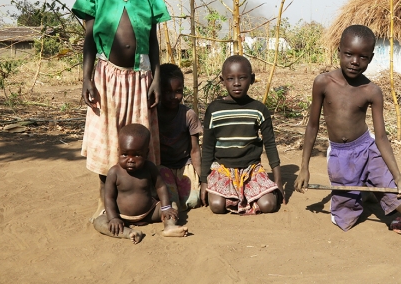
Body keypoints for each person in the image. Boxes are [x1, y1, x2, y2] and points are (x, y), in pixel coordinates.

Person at [294, 25, 401, 282]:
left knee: (400, 196)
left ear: (371, 57)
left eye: (363, 57)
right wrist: (305, 167)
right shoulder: (323, 82)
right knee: (344, 220)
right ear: (339, 51)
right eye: (349, 54)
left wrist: (398, 175)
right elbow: (312, 125)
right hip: (340, 155)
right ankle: (368, 192)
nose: (355, 62)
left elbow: (381, 137)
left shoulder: (372, 91)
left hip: (366, 148)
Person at [72, 0, 171, 221]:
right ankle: (107, 203)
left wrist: (155, 78)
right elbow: (89, 40)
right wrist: (87, 77)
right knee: (108, 142)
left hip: (140, 79)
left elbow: (153, 41)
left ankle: (142, 198)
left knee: (138, 141)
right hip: (106, 78)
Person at [200, 55, 285, 215]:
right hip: (223, 170)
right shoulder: (214, 110)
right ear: (222, 80)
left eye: (242, 78)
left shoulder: (258, 109)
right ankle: (242, 197)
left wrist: (278, 181)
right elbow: (207, 148)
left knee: (268, 205)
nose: (236, 83)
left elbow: (271, 144)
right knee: (217, 206)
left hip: (251, 169)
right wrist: (204, 181)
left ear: (252, 79)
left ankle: (244, 195)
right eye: (230, 78)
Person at [92, 124, 188, 243]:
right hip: (121, 215)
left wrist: (165, 208)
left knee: (172, 206)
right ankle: (129, 233)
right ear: (118, 151)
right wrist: (113, 218)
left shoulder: (149, 168)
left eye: (137, 155)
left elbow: (161, 186)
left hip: (149, 212)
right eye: (125, 154)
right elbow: (109, 197)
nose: (130, 159)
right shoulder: (114, 172)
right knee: (99, 222)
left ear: (146, 153)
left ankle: (170, 227)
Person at [157, 63, 203, 211]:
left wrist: (202, 180)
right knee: (171, 200)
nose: (173, 96)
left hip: (184, 164)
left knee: (193, 201)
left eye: (178, 91)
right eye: (167, 91)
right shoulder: (153, 114)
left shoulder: (188, 115)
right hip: (162, 165)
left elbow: (195, 150)